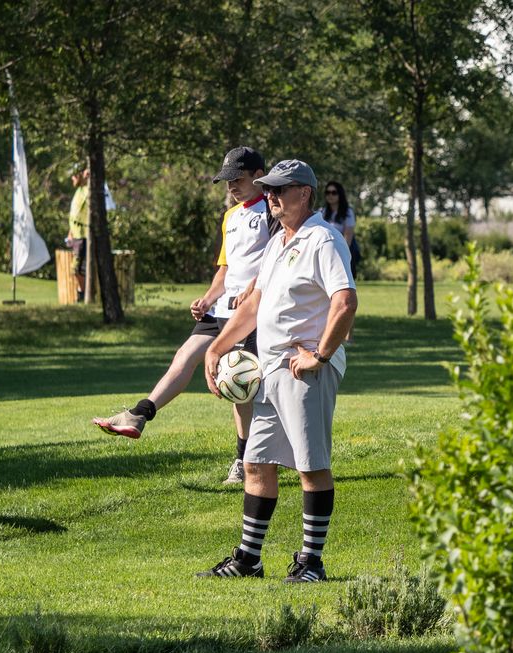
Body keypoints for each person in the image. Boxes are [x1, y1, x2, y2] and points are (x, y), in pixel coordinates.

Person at [197, 159, 357, 583]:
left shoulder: (324, 239)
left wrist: (319, 356)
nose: (269, 197)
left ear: (303, 194)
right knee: (256, 461)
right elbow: (253, 305)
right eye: (267, 190)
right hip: (270, 369)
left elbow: (345, 303)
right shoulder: (278, 241)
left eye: (278, 191)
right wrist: (217, 346)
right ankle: (249, 559)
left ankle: (312, 563)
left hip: (304, 370)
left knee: (310, 465)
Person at [92, 147, 271, 485]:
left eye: (238, 179)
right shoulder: (230, 217)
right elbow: (225, 270)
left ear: (259, 175)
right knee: (183, 358)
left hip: (248, 313)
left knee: (238, 385)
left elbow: (274, 259)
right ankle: (139, 415)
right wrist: (206, 299)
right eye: (227, 180)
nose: (231, 186)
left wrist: (253, 288)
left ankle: (244, 458)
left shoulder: (272, 210)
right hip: (220, 309)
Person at [321, 180, 360, 280]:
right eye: (327, 192)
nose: (330, 195)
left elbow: (348, 236)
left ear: (340, 194)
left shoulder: (348, 212)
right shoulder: (322, 212)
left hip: (341, 253)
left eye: (334, 192)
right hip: (324, 252)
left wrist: (341, 256)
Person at [66, 164, 89, 303]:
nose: (71, 178)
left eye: (74, 175)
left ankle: (84, 295)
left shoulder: (87, 189)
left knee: (78, 269)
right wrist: (70, 232)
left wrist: (89, 177)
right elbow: (76, 214)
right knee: (76, 269)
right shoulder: (78, 191)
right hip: (76, 236)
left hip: (83, 236)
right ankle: (82, 294)